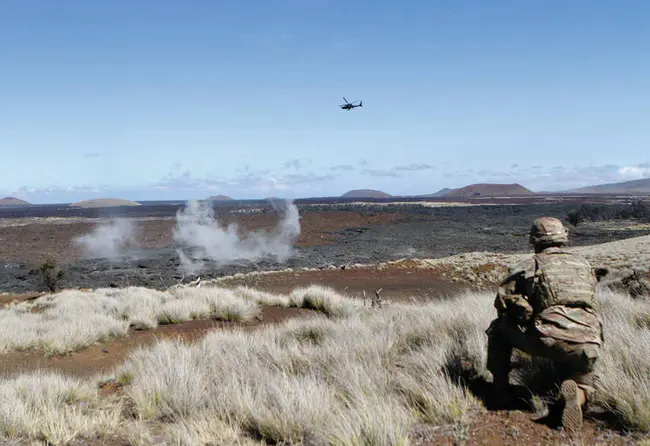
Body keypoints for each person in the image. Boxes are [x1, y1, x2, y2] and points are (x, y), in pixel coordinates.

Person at [485, 217, 604, 433]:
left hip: (547, 336)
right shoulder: (583, 264)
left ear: (534, 239)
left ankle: (500, 391)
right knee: (584, 377)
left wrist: (526, 313)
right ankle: (577, 395)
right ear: (563, 237)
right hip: (590, 341)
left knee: (498, 328)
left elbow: (503, 300)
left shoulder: (530, 264)